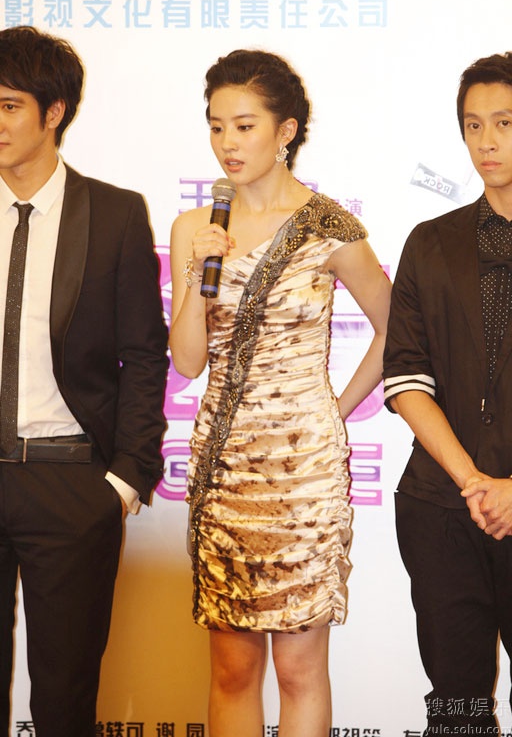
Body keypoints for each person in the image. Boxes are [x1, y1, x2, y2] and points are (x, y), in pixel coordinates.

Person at [169, 49, 391, 737]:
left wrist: (333, 411)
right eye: (216, 127)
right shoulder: (195, 227)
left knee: (299, 671)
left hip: (302, 477)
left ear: (286, 130)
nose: (227, 144)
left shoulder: (330, 227)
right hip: (226, 470)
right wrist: (197, 272)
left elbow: (397, 331)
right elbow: (187, 360)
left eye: (244, 126)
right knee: (232, 670)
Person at [0, 26, 168, 737]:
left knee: (64, 701)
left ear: (54, 111)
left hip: (70, 480)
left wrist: (124, 479)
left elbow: (145, 354)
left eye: (9, 105)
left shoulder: (113, 213)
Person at [383, 51, 512, 736]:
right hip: (442, 506)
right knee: (458, 711)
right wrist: (475, 483)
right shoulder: (432, 243)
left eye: (505, 123)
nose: (487, 141)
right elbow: (405, 376)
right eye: (473, 125)